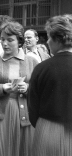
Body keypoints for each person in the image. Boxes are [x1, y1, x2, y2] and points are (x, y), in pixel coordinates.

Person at [0, 20, 38, 156]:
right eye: (2, 39)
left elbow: (39, 90)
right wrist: (2, 88)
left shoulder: (32, 62)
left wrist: (28, 88)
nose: (4, 43)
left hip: (24, 115)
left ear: (20, 41)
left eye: (10, 40)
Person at [28, 15, 72, 156]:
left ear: (57, 39)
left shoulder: (41, 68)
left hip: (47, 130)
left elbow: (32, 106)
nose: (47, 42)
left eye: (48, 37)